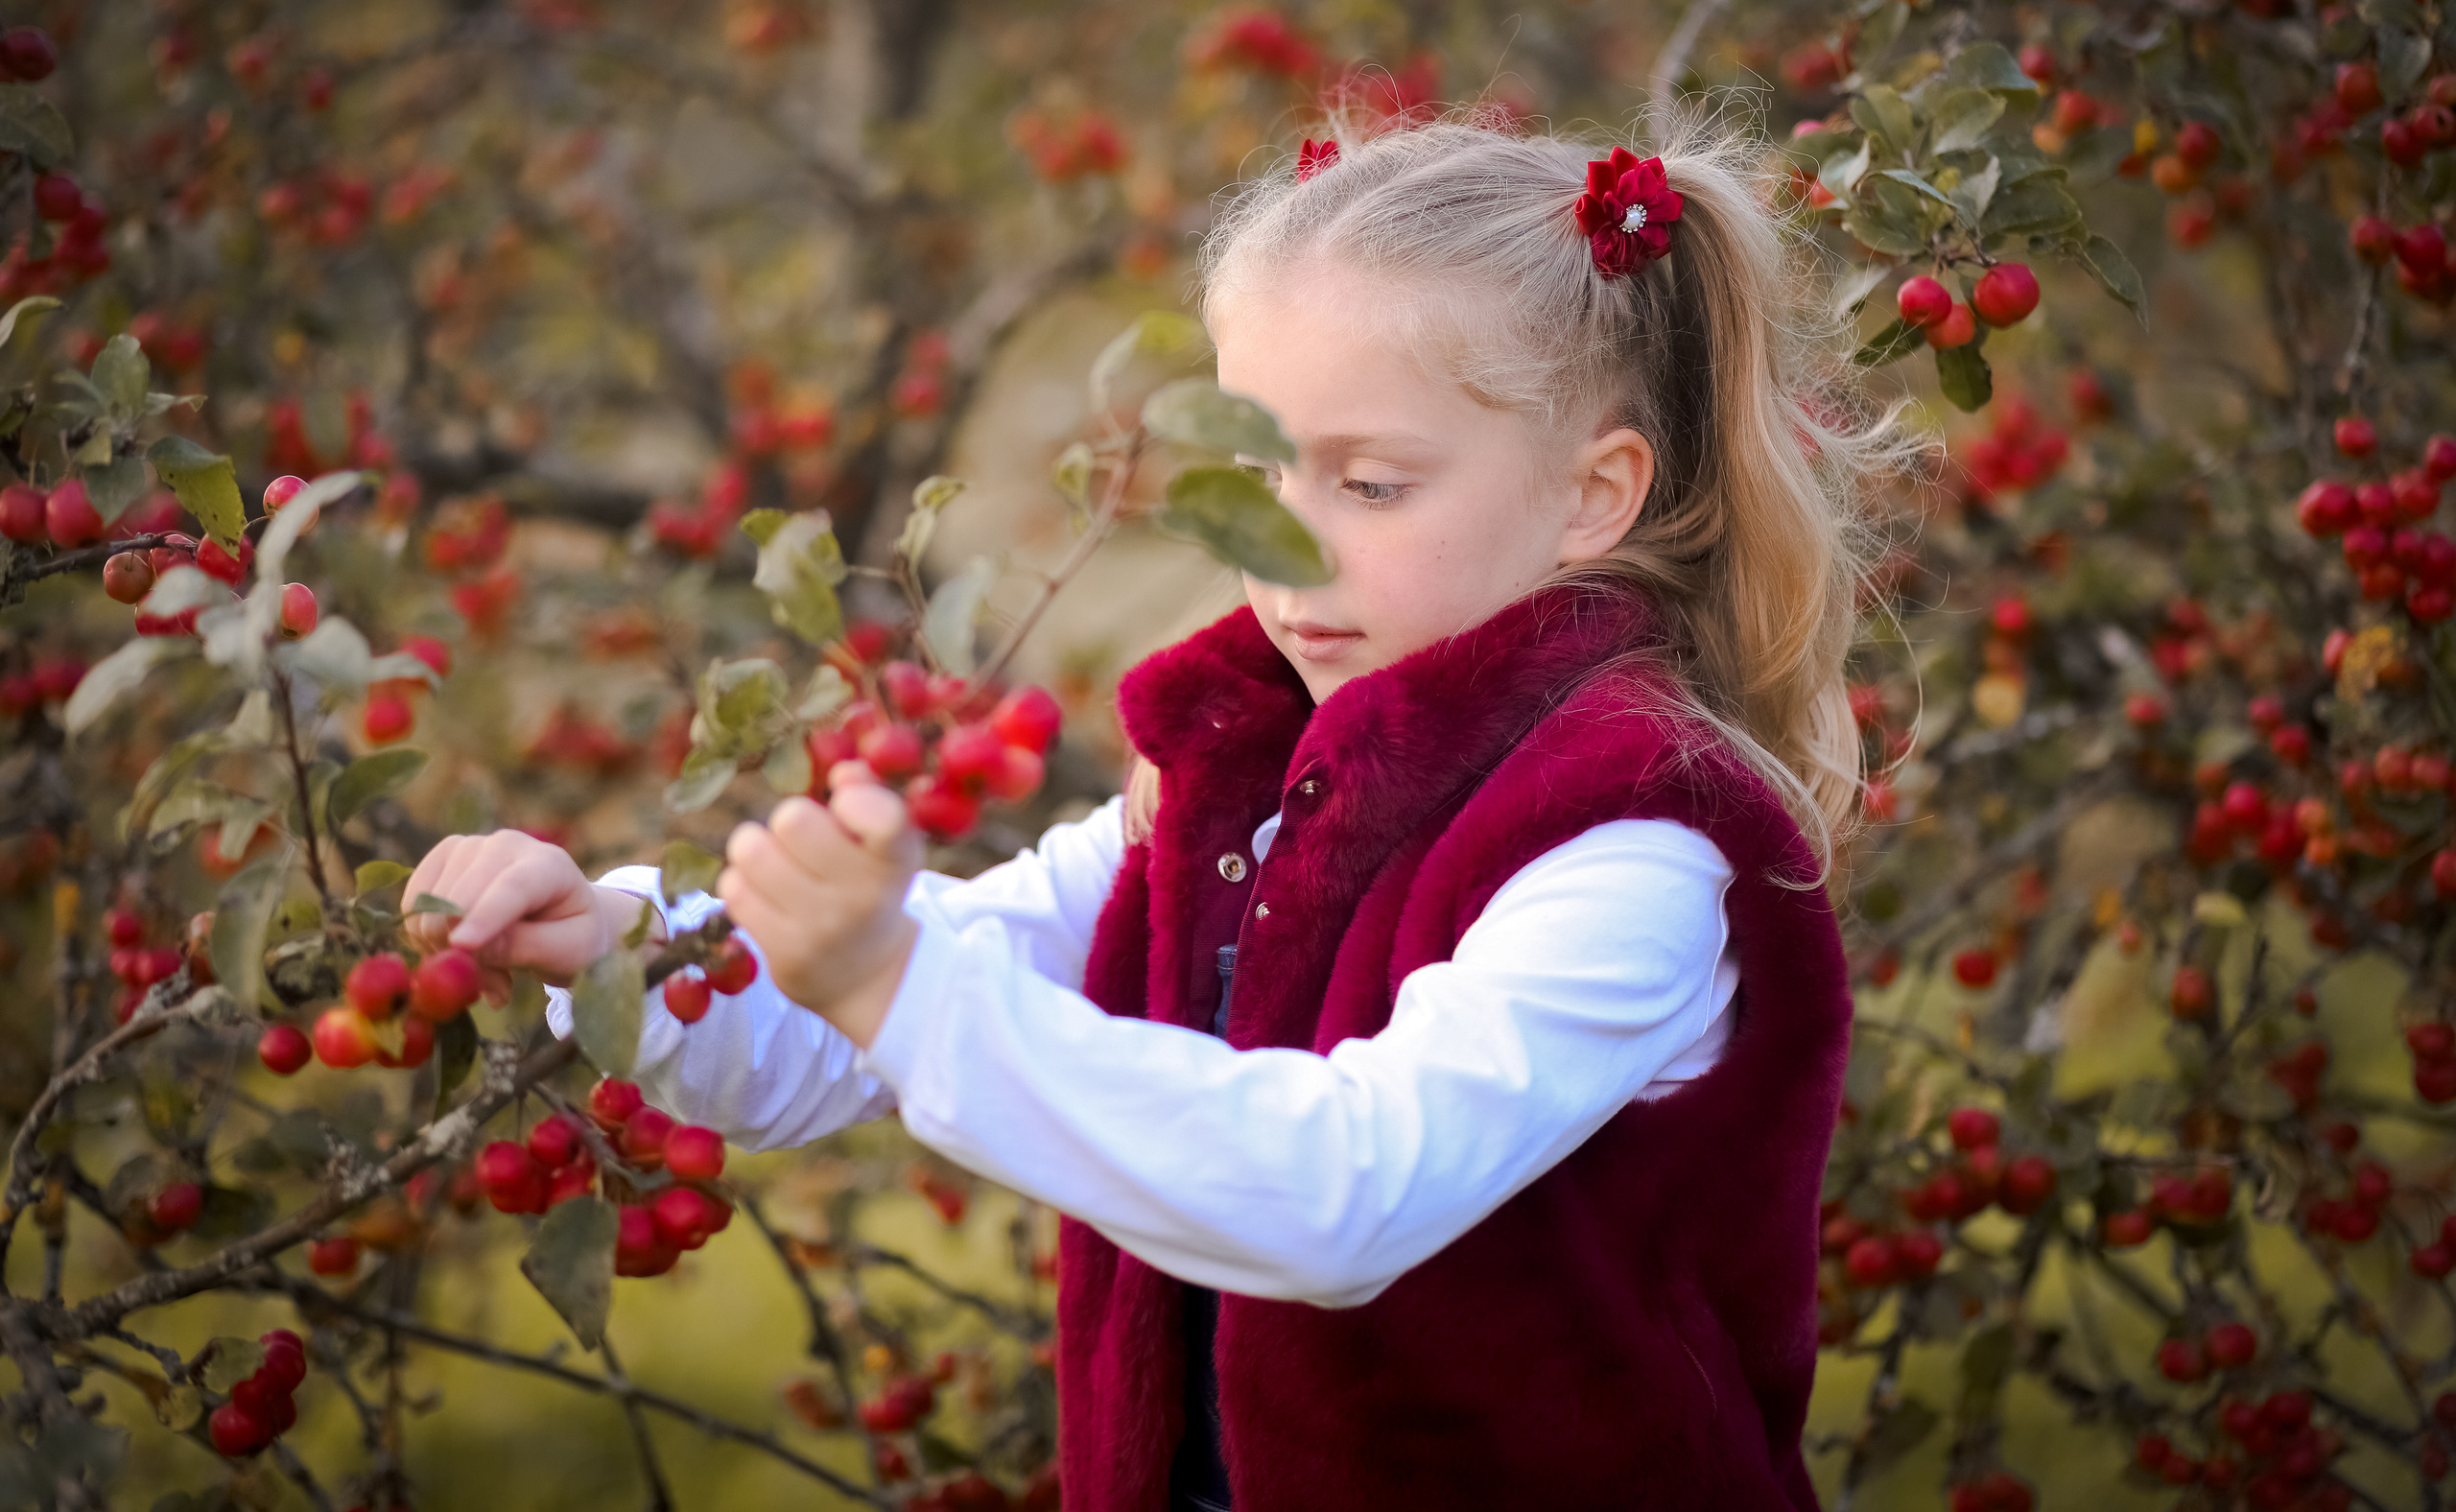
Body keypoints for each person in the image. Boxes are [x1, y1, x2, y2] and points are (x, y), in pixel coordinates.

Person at [404, 107, 1899, 1510]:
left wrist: (894, 985)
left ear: (1594, 496)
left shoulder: (1632, 846)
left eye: (1372, 485)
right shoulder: (1235, 777)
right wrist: (619, 946)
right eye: (1257, 471)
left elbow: (1348, 1192)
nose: (1285, 547)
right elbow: (872, 1025)